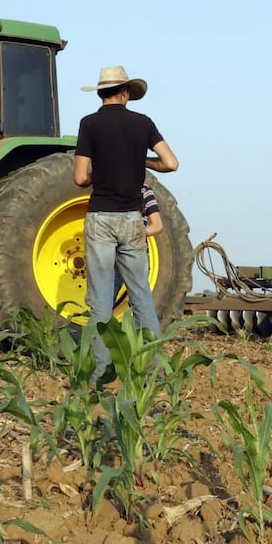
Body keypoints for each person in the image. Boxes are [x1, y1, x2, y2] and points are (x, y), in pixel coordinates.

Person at [73, 66, 179, 378]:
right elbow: (171, 163)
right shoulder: (143, 124)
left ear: (102, 93)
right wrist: (141, 160)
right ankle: (153, 370)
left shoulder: (89, 124)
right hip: (133, 218)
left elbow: (80, 177)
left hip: (101, 218)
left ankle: (101, 372)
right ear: (126, 92)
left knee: (101, 299)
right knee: (141, 295)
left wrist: (101, 171)